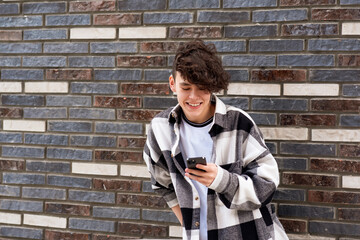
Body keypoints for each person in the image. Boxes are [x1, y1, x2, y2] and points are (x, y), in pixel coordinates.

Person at [143, 39, 288, 240]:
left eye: (202, 87)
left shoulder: (238, 123)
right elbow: (162, 183)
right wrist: (190, 224)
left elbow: (267, 186)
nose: (193, 97)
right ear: (172, 84)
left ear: (212, 86)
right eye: (186, 87)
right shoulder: (161, 129)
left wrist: (221, 180)